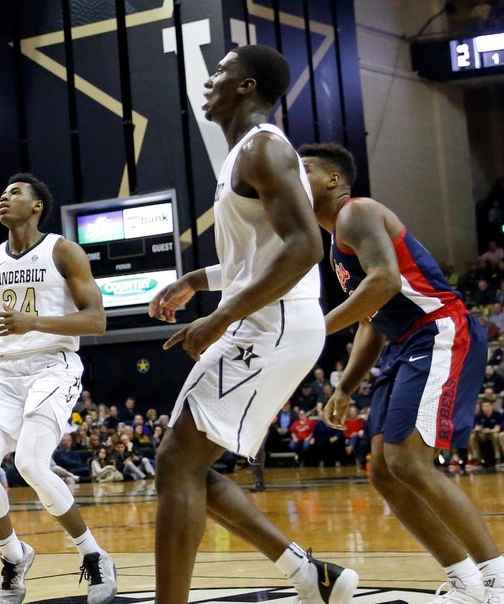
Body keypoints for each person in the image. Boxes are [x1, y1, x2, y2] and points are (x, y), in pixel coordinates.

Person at [147, 46, 358, 604]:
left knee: (177, 462)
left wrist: (220, 316)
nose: (210, 79)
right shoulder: (244, 152)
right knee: (185, 463)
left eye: (221, 71)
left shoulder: (265, 148)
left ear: (246, 87)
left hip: (274, 325)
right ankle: (310, 575)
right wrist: (198, 279)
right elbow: (258, 257)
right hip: (264, 319)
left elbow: (305, 247)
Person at [300, 142, 504, 604]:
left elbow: (386, 281)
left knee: (408, 461)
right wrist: (345, 386)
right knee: (384, 471)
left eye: (304, 168)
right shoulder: (335, 248)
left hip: (438, 330)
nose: (292, 174)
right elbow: (372, 322)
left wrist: (314, 331)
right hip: (405, 343)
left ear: (333, 180)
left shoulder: (356, 212)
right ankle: (467, 582)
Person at [0, 173, 117, 604]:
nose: (4, 197)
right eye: (1, 193)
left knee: (32, 463)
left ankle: (94, 556)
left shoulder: (63, 251)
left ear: (37, 206)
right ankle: (14, 556)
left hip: (53, 367)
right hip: (5, 376)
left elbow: (96, 320)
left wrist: (33, 322)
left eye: (15, 192)